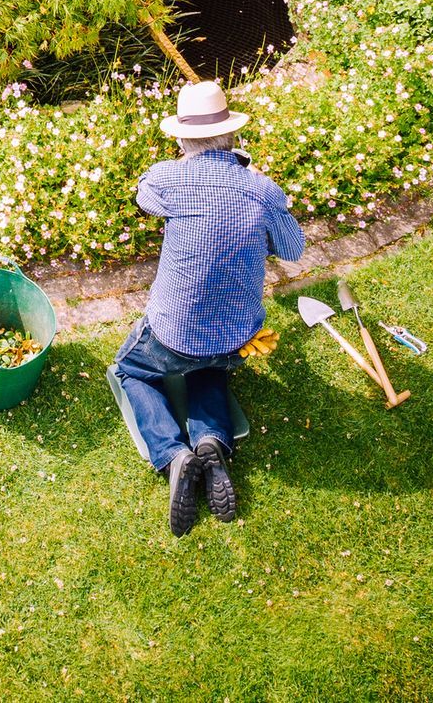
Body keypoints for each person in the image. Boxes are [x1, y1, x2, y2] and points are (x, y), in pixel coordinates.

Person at [114, 78, 306, 536]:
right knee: (208, 366)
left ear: (182, 138)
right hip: (238, 339)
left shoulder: (170, 177)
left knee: (130, 370)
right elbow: (293, 248)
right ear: (234, 136)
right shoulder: (262, 189)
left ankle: (173, 454)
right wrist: (257, 188)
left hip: (171, 333)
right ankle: (212, 442)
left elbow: (144, 195)